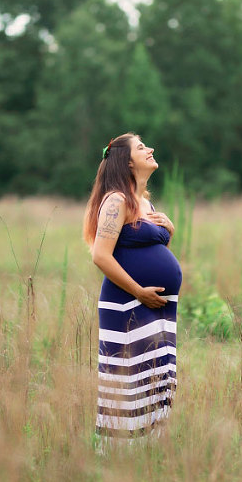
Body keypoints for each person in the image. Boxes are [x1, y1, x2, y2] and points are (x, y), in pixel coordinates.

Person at [83, 133, 181, 444]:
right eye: (142, 147)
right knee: (128, 382)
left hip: (154, 306)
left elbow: (142, 249)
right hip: (127, 304)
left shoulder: (145, 201)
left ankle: (149, 452)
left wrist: (169, 231)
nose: (151, 149)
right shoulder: (116, 200)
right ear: (127, 162)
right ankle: (119, 456)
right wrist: (138, 291)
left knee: (154, 378)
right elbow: (100, 255)